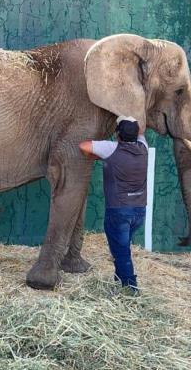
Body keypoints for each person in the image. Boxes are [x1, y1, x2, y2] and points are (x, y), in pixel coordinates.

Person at [79, 116, 148, 291]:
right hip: (139, 211)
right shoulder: (143, 148)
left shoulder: (111, 149)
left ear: (117, 134)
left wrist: (97, 156)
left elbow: (83, 146)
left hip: (119, 212)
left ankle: (130, 289)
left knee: (122, 253)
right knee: (121, 249)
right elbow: (141, 132)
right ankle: (119, 281)